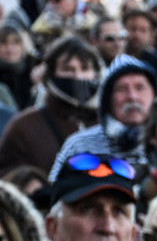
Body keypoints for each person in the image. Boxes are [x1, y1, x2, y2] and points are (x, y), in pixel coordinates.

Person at [0, 36, 98, 174]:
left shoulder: (109, 124)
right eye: (68, 69)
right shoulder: (24, 127)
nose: (78, 77)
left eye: (85, 68)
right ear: (51, 75)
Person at [50, 54, 157, 170]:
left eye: (140, 87)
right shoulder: (79, 146)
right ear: (107, 100)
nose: (132, 97)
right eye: (122, 89)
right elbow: (57, 187)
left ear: (155, 94)